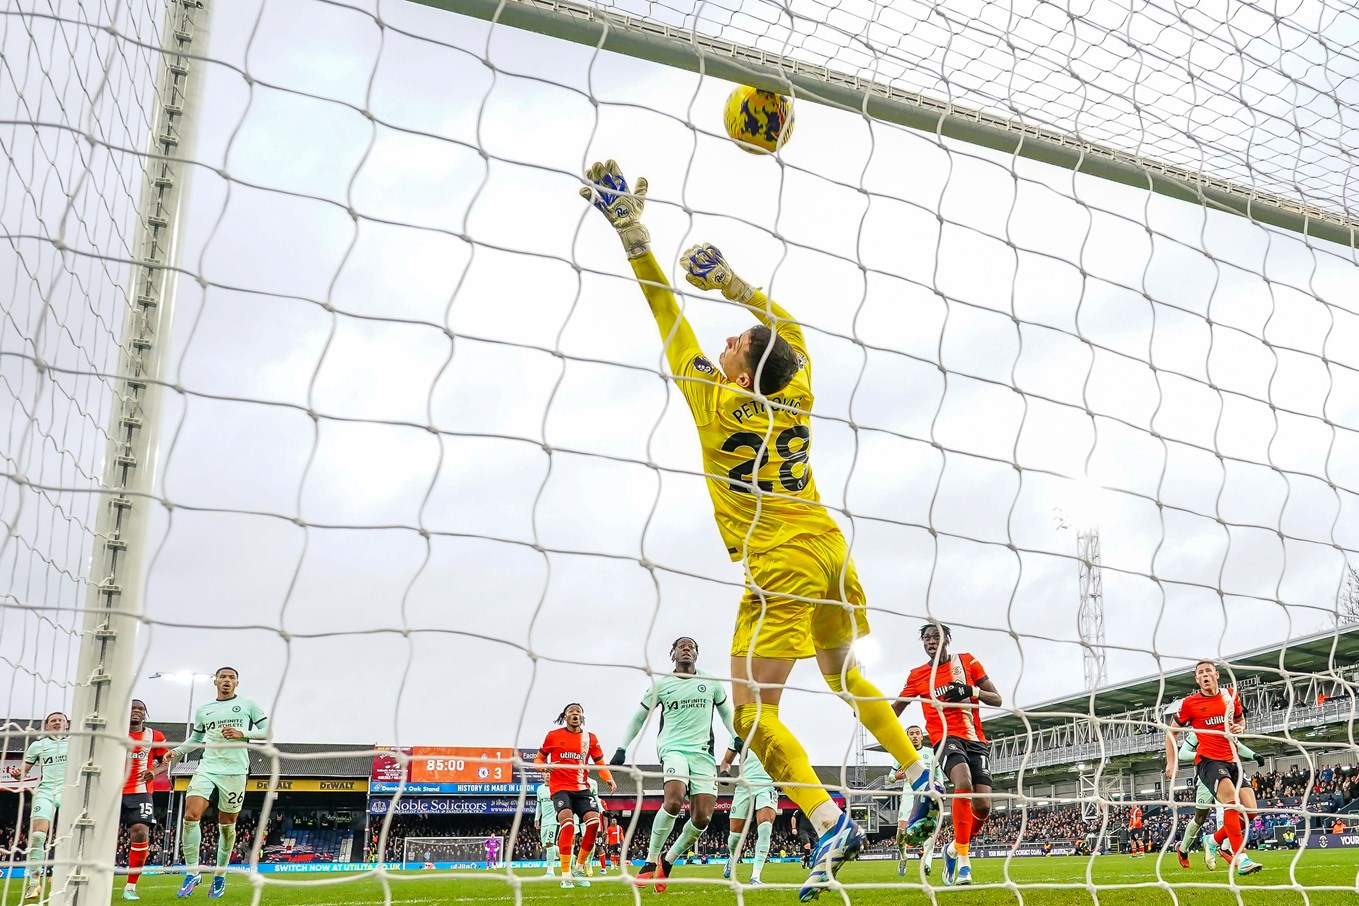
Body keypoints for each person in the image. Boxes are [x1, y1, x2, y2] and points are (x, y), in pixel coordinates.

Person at [580, 159, 938, 902]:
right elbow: (790, 332)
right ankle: (917, 770)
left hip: (779, 561)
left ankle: (828, 820)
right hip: (830, 547)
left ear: (741, 374)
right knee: (842, 676)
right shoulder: (796, 389)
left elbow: (664, 311)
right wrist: (734, 284)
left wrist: (632, 235)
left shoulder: (713, 400)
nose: (725, 341)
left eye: (736, 342)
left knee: (750, 714)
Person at [611, 636, 735, 891]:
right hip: (673, 749)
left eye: (691, 646)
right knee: (674, 801)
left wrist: (736, 736)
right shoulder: (662, 685)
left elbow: (726, 714)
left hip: (703, 754)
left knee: (702, 818)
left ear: (697, 654)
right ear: (673, 654)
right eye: (681, 646)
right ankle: (649, 861)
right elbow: (639, 717)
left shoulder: (711, 683)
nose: (686, 649)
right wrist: (622, 748)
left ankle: (666, 862)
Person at [894, 623, 1002, 886]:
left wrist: (969, 691)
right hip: (945, 738)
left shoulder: (967, 662)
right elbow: (896, 709)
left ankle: (953, 849)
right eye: (926, 638)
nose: (931, 641)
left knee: (983, 806)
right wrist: (870, 713)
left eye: (936, 637)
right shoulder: (917, 675)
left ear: (947, 640)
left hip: (975, 740)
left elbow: (997, 699)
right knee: (963, 782)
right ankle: (964, 863)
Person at [146, 666, 269, 898]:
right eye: (223, 677)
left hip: (235, 771)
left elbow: (267, 732)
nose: (227, 680)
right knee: (190, 815)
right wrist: (177, 751)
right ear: (215, 681)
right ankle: (192, 873)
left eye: (232, 677)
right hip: (207, 767)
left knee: (227, 825)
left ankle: (220, 876)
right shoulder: (204, 710)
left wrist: (243, 733)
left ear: (237, 683)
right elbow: (196, 738)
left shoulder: (248, 704)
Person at [1165, 660, 1262, 876]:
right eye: (1200, 672)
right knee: (1225, 805)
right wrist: (1172, 761)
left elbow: (1240, 721)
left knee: (1251, 812)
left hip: (1232, 761)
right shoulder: (1190, 704)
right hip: (1208, 762)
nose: (1205, 675)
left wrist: (1240, 728)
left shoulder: (1230, 696)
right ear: (1197, 679)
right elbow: (1171, 731)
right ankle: (1241, 858)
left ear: (1217, 675)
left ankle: (1213, 840)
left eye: (1208, 671)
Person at [534, 703, 616, 888]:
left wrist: (608, 778)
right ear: (565, 716)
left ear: (582, 717)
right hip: (560, 788)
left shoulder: (590, 738)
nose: (575, 714)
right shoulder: (553, 736)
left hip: (581, 788)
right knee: (568, 824)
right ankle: (566, 875)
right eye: (571, 711)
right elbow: (538, 759)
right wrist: (544, 767)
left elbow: (600, 763)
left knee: (594, 823)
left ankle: (579, 868)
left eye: (578, 711)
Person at [1174, 729, 1264, 870]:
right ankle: (1184, 849)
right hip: (1206, 776)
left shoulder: (1226, 727)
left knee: (1230, 808)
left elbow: (1237, 745)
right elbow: (1183, 754)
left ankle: (1225, 847)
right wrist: (1204, 755)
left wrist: (1253, 755)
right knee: (1200, 818)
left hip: (1227, 770)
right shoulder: (1199, 729)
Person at [7, 712, 69, 902]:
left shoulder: (76, 743)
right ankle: (34, 883)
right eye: (53, 720)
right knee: (38, 836)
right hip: (46, 792)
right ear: (47, 726)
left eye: (60, 720)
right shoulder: (37, 745)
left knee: (68, 836)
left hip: (69, 792)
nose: (57, 722)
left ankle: (59, 874)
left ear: (67, 725)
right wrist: (18, 774)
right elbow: (23, 772)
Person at [122, 699, 168, 900]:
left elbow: (164, 763)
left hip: (140, 792)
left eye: (141, 709)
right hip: (110, 791)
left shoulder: (155, 736)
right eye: (132, 708)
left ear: (145, 714)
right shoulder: (114, 733)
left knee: (141, 832)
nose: (136, 711)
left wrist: (153, 772)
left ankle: (130, 887)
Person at [719, 745, 777, 885]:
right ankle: (732, 857)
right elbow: (726, 761)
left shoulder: (777, 735)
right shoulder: (738, 735)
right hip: (743, 786)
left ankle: (755, 876)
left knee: (765, 828)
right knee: (735, 837)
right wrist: (724, 773)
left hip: (767, 785)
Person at [893, 725, 942, 877]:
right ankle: (903, 857)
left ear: (921, 736)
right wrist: (896, 777)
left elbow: (938, 774)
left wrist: (939, 789)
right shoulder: (902, 753)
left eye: (917, 733)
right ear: (907, 737)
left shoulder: (930, 753)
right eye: (911, 734)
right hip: (909, 794)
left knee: (929, 828)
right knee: (900, 832)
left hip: (927, 793)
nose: (914, 736)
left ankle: (927, 861)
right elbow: (891, 776)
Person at [533, 782, 559, 877]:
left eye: (549, 774)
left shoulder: (556, 786)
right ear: (543, 775)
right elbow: (538, 805)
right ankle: (569, 857)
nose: (547, 775)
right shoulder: (540, 789)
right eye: (545, 774)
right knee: (546, 846)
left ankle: (550, 871)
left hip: (554, 821)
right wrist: (537, 818)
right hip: (544, 821)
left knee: (549, 844)